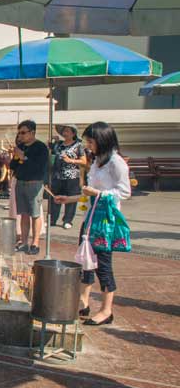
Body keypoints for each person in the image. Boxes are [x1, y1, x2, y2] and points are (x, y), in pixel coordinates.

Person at [54, 122, 130, 326]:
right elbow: (88, 192)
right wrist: (68, 199)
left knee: (102, 265)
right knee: (84, 260)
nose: (88, 145)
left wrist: (97, 193)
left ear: (102, 141)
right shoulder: (97, 161)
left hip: (105, 220)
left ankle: (106, 310)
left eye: (90, 141)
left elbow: (124, 192)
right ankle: (83, 301)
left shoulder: (116, 162)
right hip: (90, 217)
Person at [9, 120, 48, 255]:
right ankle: (24, 242)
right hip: (20, 182)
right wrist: (16, 157)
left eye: (23, 133)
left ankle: (35, 242)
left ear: (32, 132)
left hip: (34, 183)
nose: (21, 136)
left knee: (35, 214)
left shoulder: (41, 147)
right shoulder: (21, 146)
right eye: (19, 133)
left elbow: (39, 167)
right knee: (24, 213)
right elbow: (12, 166)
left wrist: (23, 157)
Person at [49, 125, 85, 230]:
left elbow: (84, 161)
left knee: (71, 199)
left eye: (68, 131)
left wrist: (71, 160)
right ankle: (53, 219)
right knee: (55, 198)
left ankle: (68, 220)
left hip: (72, 176)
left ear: (73, 133)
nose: (65, 133)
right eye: (64, 131)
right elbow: (51, 153)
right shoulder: (59, 145)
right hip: (58, 176)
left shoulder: (78, 145)